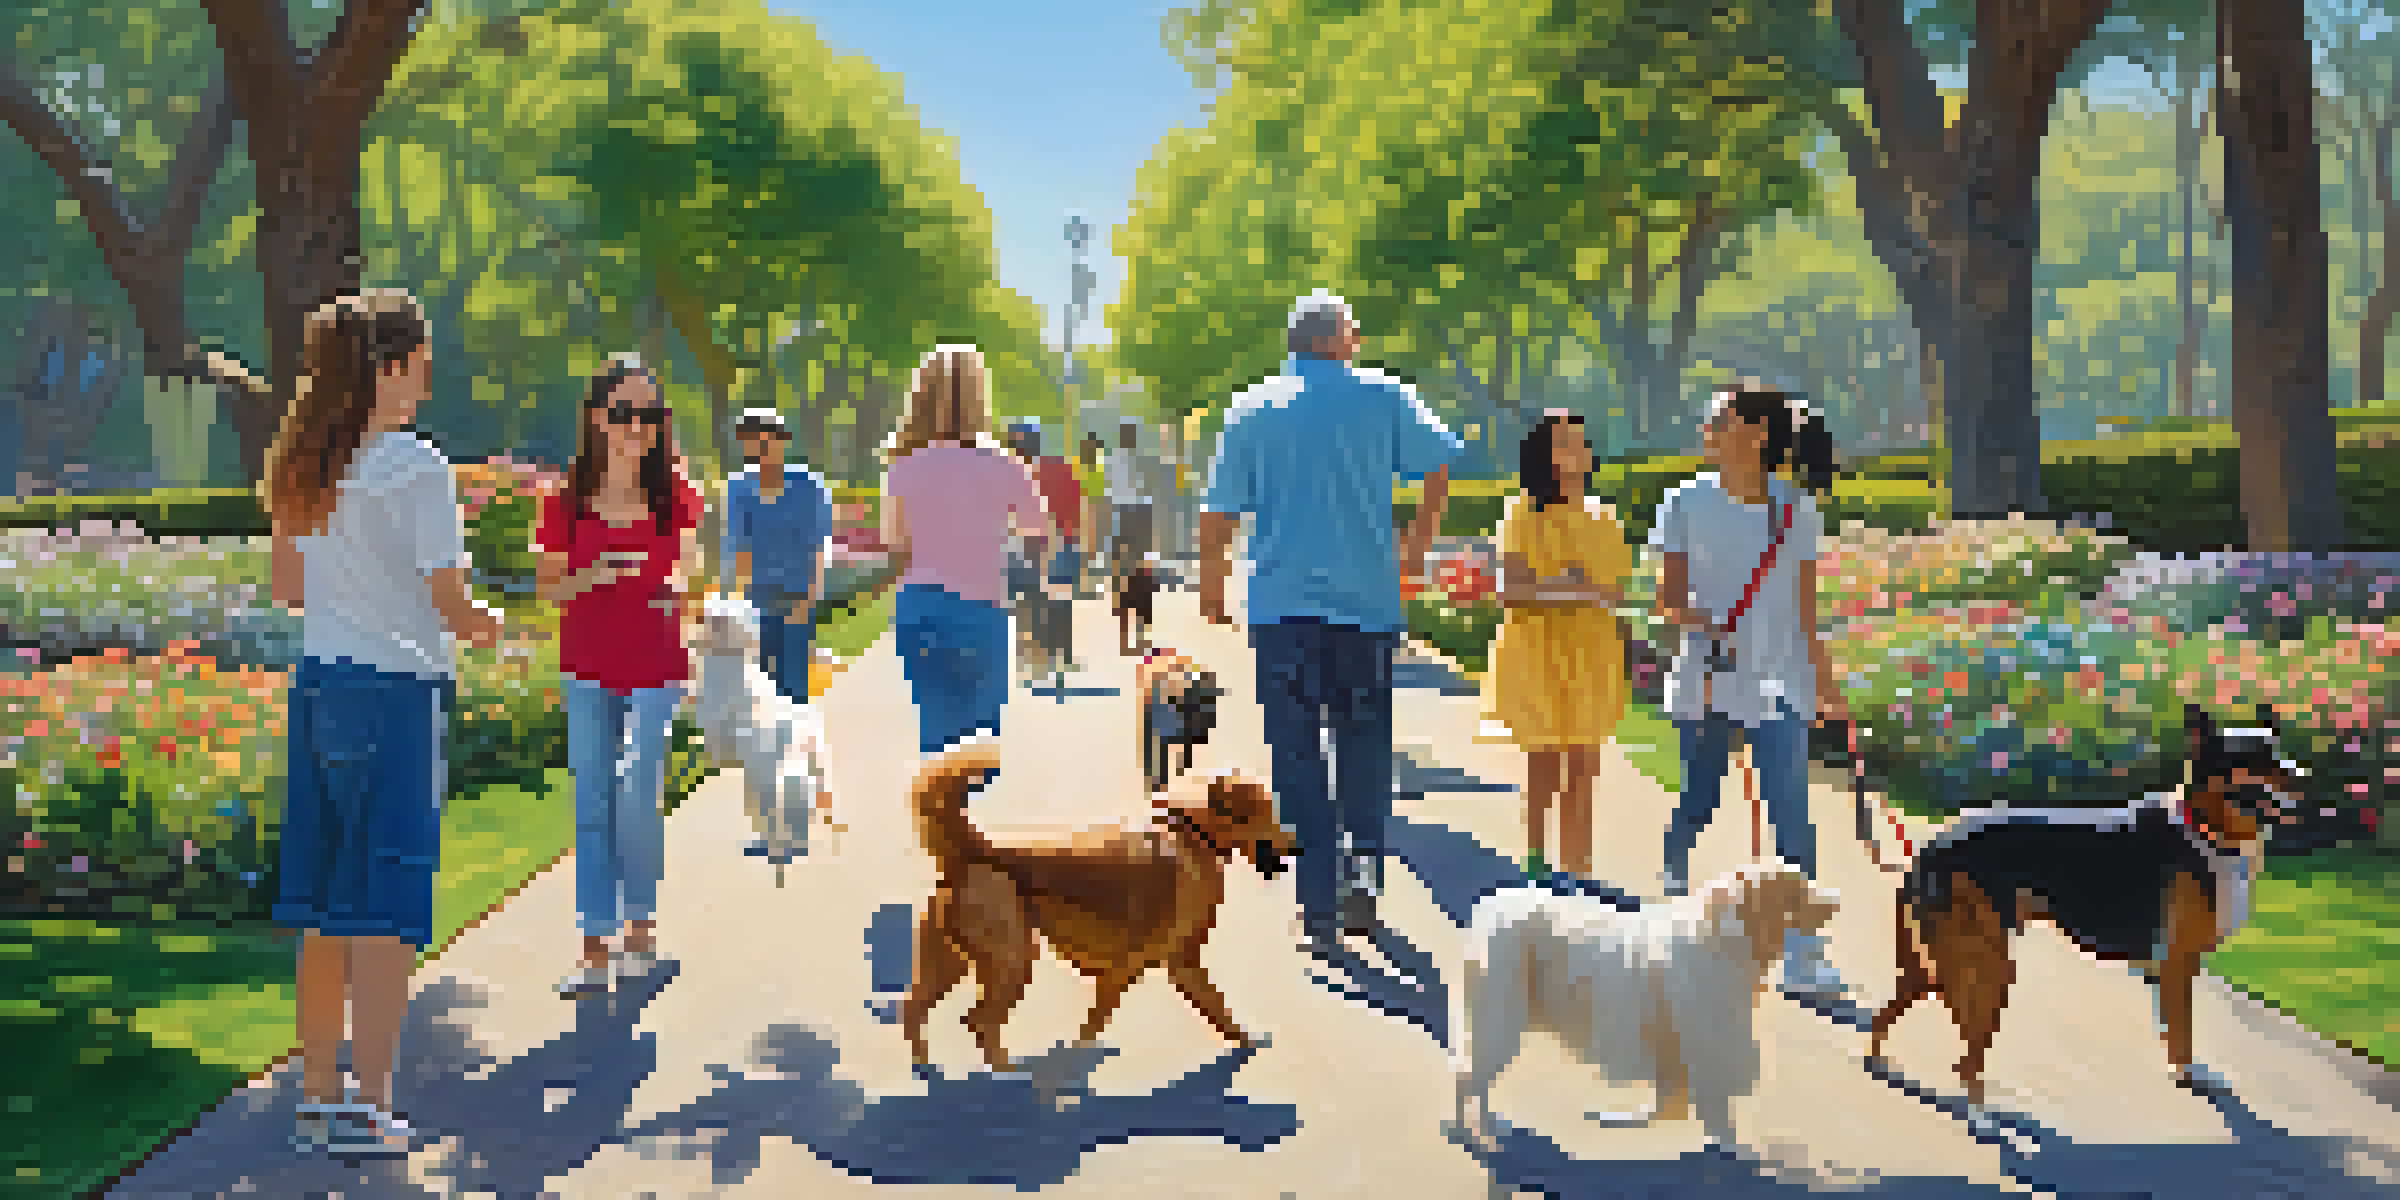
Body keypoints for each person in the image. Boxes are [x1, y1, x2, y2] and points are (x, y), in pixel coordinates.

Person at [265, 289, 505, 1155]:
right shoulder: (415, 466)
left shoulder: (304, 462)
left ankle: (317, 1101)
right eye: (421, 367)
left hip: (320, 687)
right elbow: (450, 601)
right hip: (394, 695)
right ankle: (370, 1107)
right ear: (391, 368)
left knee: (325, 908)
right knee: (386, 909)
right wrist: (489, 625)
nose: (427, 384)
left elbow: (291, 590)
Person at [1199, 289, 1461, 953]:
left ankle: (1316, 904)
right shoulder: (1384, 395)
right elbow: (1439, 463)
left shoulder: (1250, 408)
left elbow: (1219, 513)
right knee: (1364, 750)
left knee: (1295, 758)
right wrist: (1415, 549)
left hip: (1281, 611)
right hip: (1365, 610)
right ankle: (1363, 878)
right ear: (1336, 339)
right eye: (1355, 333)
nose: (1360, 342)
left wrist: (1212, 592)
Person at [1650, 386, 1850, 997]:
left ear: (1758, 434)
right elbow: (1667, 601)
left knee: (1790, 810)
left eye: (1719, 420)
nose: (1707, 430)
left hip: (1778, 681)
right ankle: (1674, 873)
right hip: (1711, 676)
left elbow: (1806, 612)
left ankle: (1803, 951)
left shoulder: (1796, 510)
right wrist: (1707, 624)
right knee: (1700, 797)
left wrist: (1824, 683)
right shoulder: (1684, 502)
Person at [535, 354, 706, 997]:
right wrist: (592, 575)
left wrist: (677, 587)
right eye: (625, 413)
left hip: (657, 662)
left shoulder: (674, 492)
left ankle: (641, 933)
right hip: (588, 664)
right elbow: (549, 587)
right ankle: (595, 949)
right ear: (598, 419)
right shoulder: (567, 497)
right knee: (594, 800)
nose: (638, 427)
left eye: (651, 415)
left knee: (637, 789)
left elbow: (688, 566)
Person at [880, 345, 1054, 756]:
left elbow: (895, 543)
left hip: (920, 610)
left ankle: (937, 795)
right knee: (978, 750)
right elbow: (1038, 531)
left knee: (936, 740)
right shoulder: (1005, 464)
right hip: (980, 610)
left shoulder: (902, 466)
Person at [1488, 411, 1630, 882]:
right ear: (1543, 454)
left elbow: (1613, 593)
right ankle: (1535, 861)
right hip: (1536, 653)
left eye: (1580, 443)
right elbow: (1511, 590)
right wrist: (1574, 586)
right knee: (1544, 762)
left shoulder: (1604, 517)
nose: (1576, 452)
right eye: (1564, 443)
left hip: (1592, 654)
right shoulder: (1523, 513)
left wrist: (1552, 587)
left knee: (1584, 767)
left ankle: (1578, 870)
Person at [722, 406, 833, 707]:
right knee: (760, 687)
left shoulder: (808, 486)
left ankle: (797, 734)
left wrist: (809, 600)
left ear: (782, 441)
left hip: (797, 597)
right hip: (756, 600)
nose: (759, 450)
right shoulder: (738, 488)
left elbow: (817, 547)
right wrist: (740, 606)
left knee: (794, 687)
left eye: (765, 441)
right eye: (750, 443)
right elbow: (739, 548)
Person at [1016, 422, 1091, 682]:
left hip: (1032, 543)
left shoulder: (1019, 472)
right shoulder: (1062, 467)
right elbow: (1080, 505)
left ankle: (1033, 657)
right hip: (1065, 541)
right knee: (1060, 599)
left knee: (1030, 601)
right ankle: (1061, 655)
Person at [1106, 419, 1154, 587]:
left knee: (1130, 552)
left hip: (1131, 510)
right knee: (1131, 552)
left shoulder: (1115, 459)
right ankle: (1127, 587)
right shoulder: (1122, 459)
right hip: (1130, 510)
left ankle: (1128, 587)